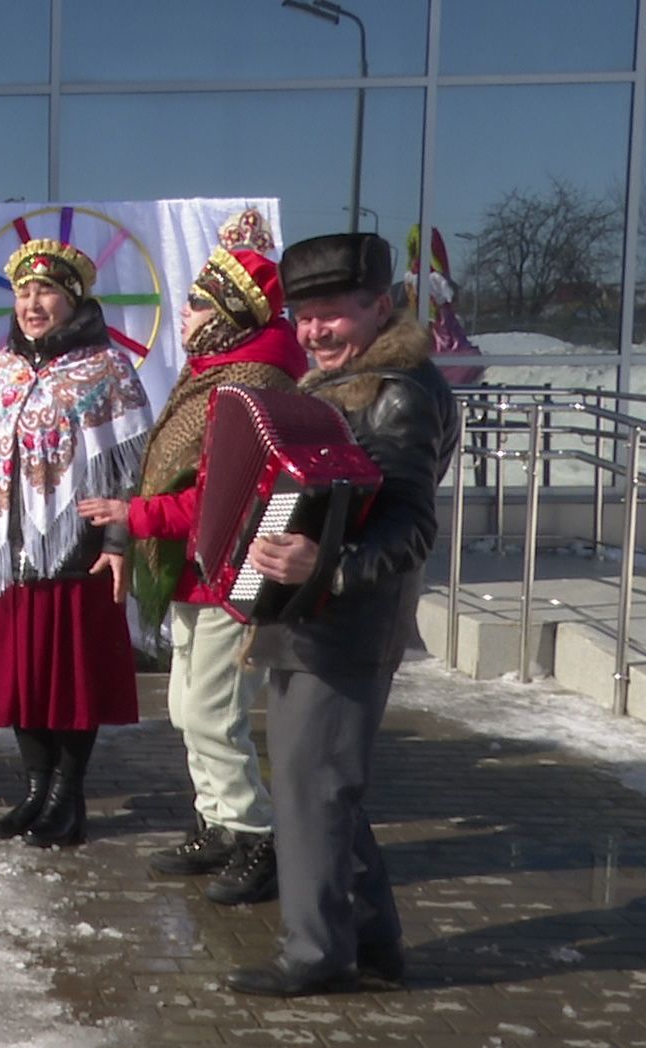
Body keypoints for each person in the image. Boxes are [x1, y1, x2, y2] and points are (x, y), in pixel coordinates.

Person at [223, 233, 458, 998]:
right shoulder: (348, 383)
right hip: (312, 617)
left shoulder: (397, 391)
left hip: (347, 621)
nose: (314, 331)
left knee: (312, 786)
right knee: (320, 784)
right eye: (304, 317)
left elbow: (411, 526)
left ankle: (317, 954)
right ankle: (373, 940)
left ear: (380, 308)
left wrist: (323, 567)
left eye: (333, 317)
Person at [78, 243, 308, 900]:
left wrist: (136, 514)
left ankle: (256, 833)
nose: (184, 311)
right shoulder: (215, 371)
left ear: (229, 312)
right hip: (192, 572)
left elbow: (224, 493)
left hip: (230, 576)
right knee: (187, 706)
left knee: (212, 710)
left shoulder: (251, 381)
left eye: (198, 301)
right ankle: (218, 821)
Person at [0, 239, 152, 847]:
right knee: (22, 677)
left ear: (73, 299)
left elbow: (130, 465)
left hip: (75, 549)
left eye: (46, 291)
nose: (32, 303)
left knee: (69, 679)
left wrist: (116, 539)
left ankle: (67, 795)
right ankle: (35, 789)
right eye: (24, 292)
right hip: (6, 550)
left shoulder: (105, 369)